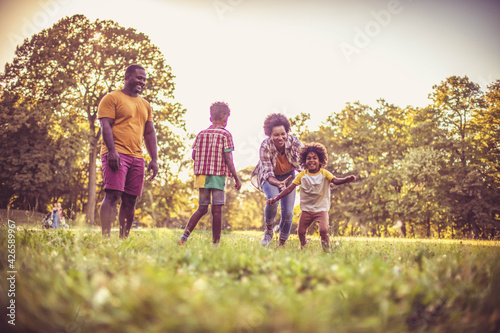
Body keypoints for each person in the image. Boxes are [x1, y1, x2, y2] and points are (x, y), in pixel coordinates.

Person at [98, 64, 158, 238]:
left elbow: (149, 132)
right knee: (113, 195)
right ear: (127, 76)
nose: (142, 82)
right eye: (139, 78)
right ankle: (106, 238)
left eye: (144, 79)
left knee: (131, 199)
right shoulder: (111, 98)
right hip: (116, 153)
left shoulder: (145, 105)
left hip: (137, 157)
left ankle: (124, 239)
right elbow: (105, 125)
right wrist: (112, 151)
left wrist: (154, 159)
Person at [268, 142, 356, 251]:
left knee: (324, 230)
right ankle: (303, 244)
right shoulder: (302, 175)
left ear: (320, 161)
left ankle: (326, 250)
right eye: (308, 158)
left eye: (315, 158)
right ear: (304, 161)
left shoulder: (324, 173)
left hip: (321, 209)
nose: (311, 160)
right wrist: (276, 198)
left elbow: (335, 180)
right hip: (307, 209)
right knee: (300, 231)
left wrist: (346, 180)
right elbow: (290, 188)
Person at [178, 102, 241, 245]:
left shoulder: (201, 134)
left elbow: (194, 155)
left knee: (202, 208)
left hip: (201, 176)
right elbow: (228, 159)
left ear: (210, 118)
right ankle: (215, 243)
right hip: (217, 175)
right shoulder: (225, 134)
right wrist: (236, 178)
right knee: (216, 209)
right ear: (225, 118)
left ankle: (184, 237)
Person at [251, 113, 304, 246]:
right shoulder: (265, 146)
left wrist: (321, 177)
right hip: (270, 178)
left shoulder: (294, 142)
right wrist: (279, 183)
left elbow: (306, 154)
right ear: (270, 135)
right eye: (276, 135)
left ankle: (282, 243)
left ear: (287, 132)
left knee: (287, 212)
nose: (280, 138)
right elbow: (268, 173)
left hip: (289, 176)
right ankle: (269, 230)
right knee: (273, 200)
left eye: (283, 134)